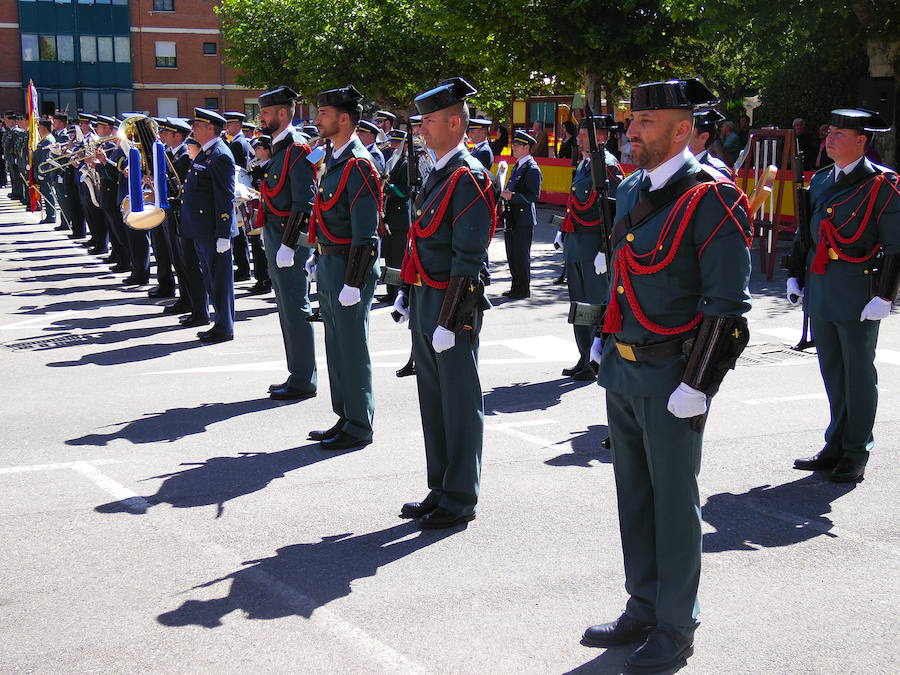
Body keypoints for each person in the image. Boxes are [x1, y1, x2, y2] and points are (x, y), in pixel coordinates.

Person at [584, 79, 752, 673]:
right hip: (625, 371)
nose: (631, 131)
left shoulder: (713, 198)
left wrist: (697, 384)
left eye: (646, 122)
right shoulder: (632, 188)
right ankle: (644, 602)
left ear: (682, 130)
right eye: (633, 121)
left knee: (675, 504)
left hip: (673, 376)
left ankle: (677, 623)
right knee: (635, 496)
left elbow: (727, 308)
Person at [394, 77, 495, 529]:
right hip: (426, 297)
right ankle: (441, 485)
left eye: (429, 121)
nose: (422, 130)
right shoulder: (438, 173)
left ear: (455, 123)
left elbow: (468, 260)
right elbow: (421, 242)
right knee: (432, 400)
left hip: (451, 305)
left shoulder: (469, 177)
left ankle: (461, 495)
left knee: (457, 401)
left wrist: (450, 319)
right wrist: (406, 291)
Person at [788, 108, 899, 483]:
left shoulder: (883, 185)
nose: (829, 139)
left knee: (858, 375)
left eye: (838, 133)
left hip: (857, 292)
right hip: (822, 286)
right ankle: (834, 444)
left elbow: (896, 246)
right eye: (829, 132)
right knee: (833, 372)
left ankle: (856, 451)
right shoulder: (820, 180)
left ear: (861, 141)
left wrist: (885, 296)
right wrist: (793, 275)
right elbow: (807, 233)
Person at [306, 85, 380, 450]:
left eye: (324, 113)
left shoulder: (359, 164)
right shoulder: (334, 159)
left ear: (344, 118)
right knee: (336, 345)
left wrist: (354, 281)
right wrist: (317, 255)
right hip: (331, 262)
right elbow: (326, 214)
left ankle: (360, 423)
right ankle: (345, 415)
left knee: (352, 346)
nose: (318, 119)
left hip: (350, 269)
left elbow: (366, 234)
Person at [255, 86, 318, 401]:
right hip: (276, 235)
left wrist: (290, 244)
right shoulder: (280, 147)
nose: (262, 118)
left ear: (282, 113)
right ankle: (297, 372)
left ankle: (304, 377)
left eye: (266, 112)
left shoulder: (297, 149)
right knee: (286, 306)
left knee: (295, 306)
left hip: (288, 240)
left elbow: (304, 204)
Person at [558, 114, 623, 381]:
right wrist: (564, 232)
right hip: (576, 246)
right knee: (579, 306)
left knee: (596, 306)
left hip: (593, 248)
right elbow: (577, 205)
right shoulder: (585, 164)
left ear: (602, 136)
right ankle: (585, 357)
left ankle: (599, 358)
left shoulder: (608, 167)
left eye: (586, 132)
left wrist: (603, 249)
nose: (581, 136)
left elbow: (616, 212)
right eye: (581, 132)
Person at [179, 108, 238, 343]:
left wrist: (224, 233)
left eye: (198, 125)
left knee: (220, 280)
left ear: (210, 128)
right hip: (203, 229)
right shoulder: (207, 153)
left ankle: (224, 326)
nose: (193, 129)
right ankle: (219, 323)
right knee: (211, 278)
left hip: (214, 231)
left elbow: (225, 196)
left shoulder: (220, 155)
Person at [501, 130, 542, 299]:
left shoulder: (531, 168)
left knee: (521, 254)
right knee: (512, 254)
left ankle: (523, 288)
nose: (514, 147)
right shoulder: (518, 165)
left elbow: (533, 196)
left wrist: (513, 197)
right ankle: (515, 286)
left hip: (523, 218)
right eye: (514, 144)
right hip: (513, 216)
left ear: (527, 147)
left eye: (517, 145)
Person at [378, 128, 410, 305]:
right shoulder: (392, 161)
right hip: (390, 214)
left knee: (398, 256)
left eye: (396, 143)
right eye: (392, 143)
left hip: (400, 216)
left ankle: (398, 291)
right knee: (390, 256)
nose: (392, 146)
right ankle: (391, 290)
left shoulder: (404, 164)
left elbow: (403, 191)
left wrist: (386, 187)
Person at [225, 111, 253, 282]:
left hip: (238, 189)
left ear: (238, 125)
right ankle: (243, 267)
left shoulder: (237, 143)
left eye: (230, 123)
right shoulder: (239, 142)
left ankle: (243, 269)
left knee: (239, 231)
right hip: (241, 188)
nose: (227, 127)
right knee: (240, 230)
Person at [246, 135, 272, 296]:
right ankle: (260, 278)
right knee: (256, 245)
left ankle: (266, 280)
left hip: (266, 212)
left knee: (263, 248)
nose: (255, 151)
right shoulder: (256, 167)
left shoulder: (270, 168)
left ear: (268, 150)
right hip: (255, 210)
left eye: (259, 148)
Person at [689, 109, 736, 180]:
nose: (681, 134)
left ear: (703, 137)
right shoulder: (678, 165)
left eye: (689, 130)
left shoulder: (718, 171)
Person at [33, 120, 58, 224]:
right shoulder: (45, 139)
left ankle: (51, 216)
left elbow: (47, 158)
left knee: (48, 193)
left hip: (46, 172)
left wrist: (42, 172)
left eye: (39, 127)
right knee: (46, 193)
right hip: (43, 171)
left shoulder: (48, 140)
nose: (38, 129)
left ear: (44, 128)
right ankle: (49, 215)